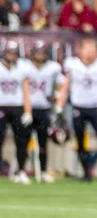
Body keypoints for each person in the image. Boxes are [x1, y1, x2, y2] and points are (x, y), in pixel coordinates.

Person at [56, 40, 97, 181]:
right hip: (78, 107)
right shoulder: (73, 65)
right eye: (87, 50)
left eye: (93, 50)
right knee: (80, 142)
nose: (90, 53)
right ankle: (86, 172)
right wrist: (59, 109)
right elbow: (65, 88)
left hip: (95, 108)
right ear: (80, 51)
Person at [17, 40, 64, 183]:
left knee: (43, 142)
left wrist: (57, 95)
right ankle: (21, 171)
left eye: (42, 52)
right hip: (26, 108)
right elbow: (23, 87)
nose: (40, 55)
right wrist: (27, 111)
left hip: (44, 108)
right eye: (37, 52)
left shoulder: (53, 67)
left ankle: (43, 171)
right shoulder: (24, 66)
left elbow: (63, 83)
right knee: (23, 141)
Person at [0, 41, 31, 184]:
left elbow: (26, 90)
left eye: (13, 53)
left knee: (21, 140)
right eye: (9, 53)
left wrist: (28, 111)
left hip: (17, 107)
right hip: (1, 107)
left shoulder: (22, 67)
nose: (11, 56)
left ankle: (21, 170)